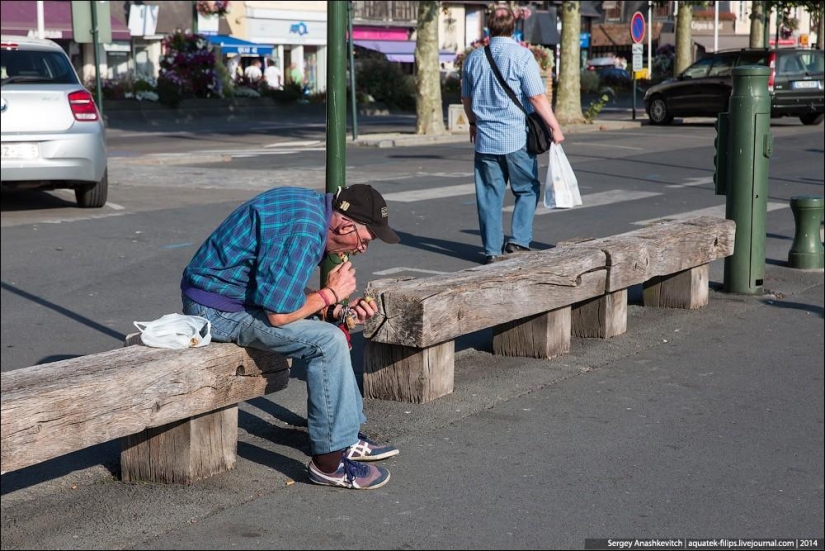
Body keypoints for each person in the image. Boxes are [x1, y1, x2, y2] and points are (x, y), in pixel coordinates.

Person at [180, 184, 402, 490]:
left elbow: (279, 285)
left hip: (235, 297)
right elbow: (280, 314)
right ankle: (329, 462)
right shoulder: (306, 232)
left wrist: (336, 310)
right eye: (365, 241)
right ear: (346, 225)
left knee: (330, 330)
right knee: (328, 344)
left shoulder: (310, 210)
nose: (362, 249)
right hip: (216, 310)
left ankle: (346, 438)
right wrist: (330, 293)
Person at [461, 6, 565, 265]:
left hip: (485, 140)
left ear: (489, 27)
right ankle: (518, 241)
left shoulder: (473, 59)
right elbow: (536, 97)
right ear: (513, 27)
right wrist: (554, 126)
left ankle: (492, 251)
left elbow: (466, 97)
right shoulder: (522, 56)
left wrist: (473, 123)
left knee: (488, 196)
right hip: (516, 137)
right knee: (527, 189)